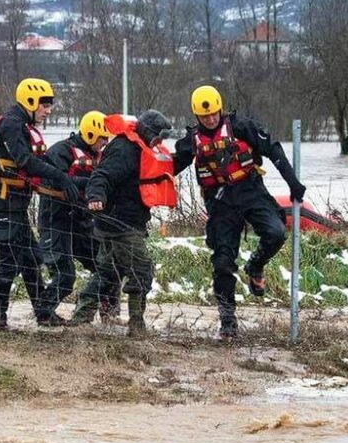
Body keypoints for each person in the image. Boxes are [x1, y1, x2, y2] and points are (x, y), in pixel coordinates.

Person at [174, 85, 306, 338]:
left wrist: (293, 183)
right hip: (221, 203)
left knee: (276, 233)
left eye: (213, 114)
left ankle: (255, 266)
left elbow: (273, 150)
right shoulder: (191, 141)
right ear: (196, 117)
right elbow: (171, 167)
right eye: (204, 116)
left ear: (220, 109)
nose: (210, 119)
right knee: (222, 263)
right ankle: (228, 320)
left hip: (251, 191)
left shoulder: (241, 127)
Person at [0, 78, 80, 329]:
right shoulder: (11, 125)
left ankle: (43, 314)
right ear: (30, 101)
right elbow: (25, 161)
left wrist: (66, 178)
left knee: (33, 259)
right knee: (9, 263)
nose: (48, 110)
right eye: (45, 105)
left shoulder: (22, 125)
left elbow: (40, 159)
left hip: (14, 207)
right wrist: (59, 177)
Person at [69, 111, 178, 336]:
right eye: (159, 137)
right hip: (120, 224)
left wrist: (189, 150)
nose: (160, 142)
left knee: (107, 272)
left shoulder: (141, 149)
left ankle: (81, 318)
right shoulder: (124, 149)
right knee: (141, 271)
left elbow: (166, 168)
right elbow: (101, 176)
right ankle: (136, 324)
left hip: (119, 221)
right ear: (148, 131)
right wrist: (96, 196)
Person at [38, 110, 119, 321]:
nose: (104, 142)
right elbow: (51, 178)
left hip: (82, 221)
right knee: (65, 275)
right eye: (102, 138)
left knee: (106, 265)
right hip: (56, 220)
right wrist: (88, 184)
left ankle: (107, 310)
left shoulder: (99, 156)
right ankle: (44, 314)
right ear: (91, 134)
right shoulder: (60, 152)